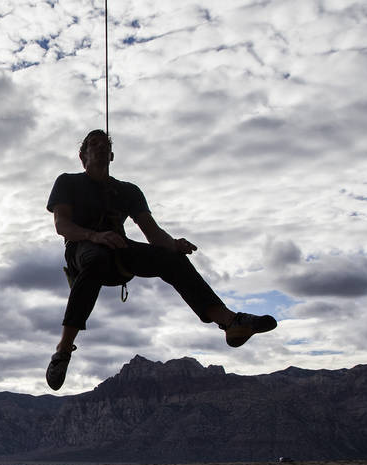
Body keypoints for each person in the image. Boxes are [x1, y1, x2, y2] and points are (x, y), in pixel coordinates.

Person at [44, 129, 276, 390]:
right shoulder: (67, 182)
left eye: (104, 145)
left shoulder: (128, 191)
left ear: (111, 155)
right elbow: (62, 225)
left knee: (171, 259)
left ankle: (230, 322)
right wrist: (93, 236)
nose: (99, 148)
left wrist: (173, 245)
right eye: (93, 144)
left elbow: (152, 233)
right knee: (95, 258)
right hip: (82, 248)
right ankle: (63, 349)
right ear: (82, 155)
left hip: (120, 249)